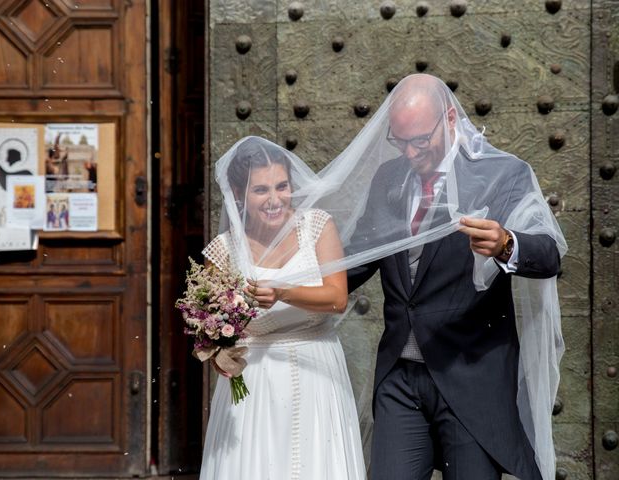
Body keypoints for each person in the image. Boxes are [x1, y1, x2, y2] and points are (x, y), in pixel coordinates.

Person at [346, 74, 566, 479]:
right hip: (400, 379)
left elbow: (548, 253)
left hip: (471, 381)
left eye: (420, 140)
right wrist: (288, 284)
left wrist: (506, 243)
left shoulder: (501, 174)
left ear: (450, 119)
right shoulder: (388, 179)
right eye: (400, 141)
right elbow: (355, 259)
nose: (411, 153)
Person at [199, 137, 365, 480]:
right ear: (239, 193)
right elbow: (212, 324)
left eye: (282, 186)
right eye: (261, 190)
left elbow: (337, 297)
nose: (275, 200)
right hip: (255, 380)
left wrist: (284, 292)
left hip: (316, 369)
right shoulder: (223, 250)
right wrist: (217, 349)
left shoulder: (318, 226)